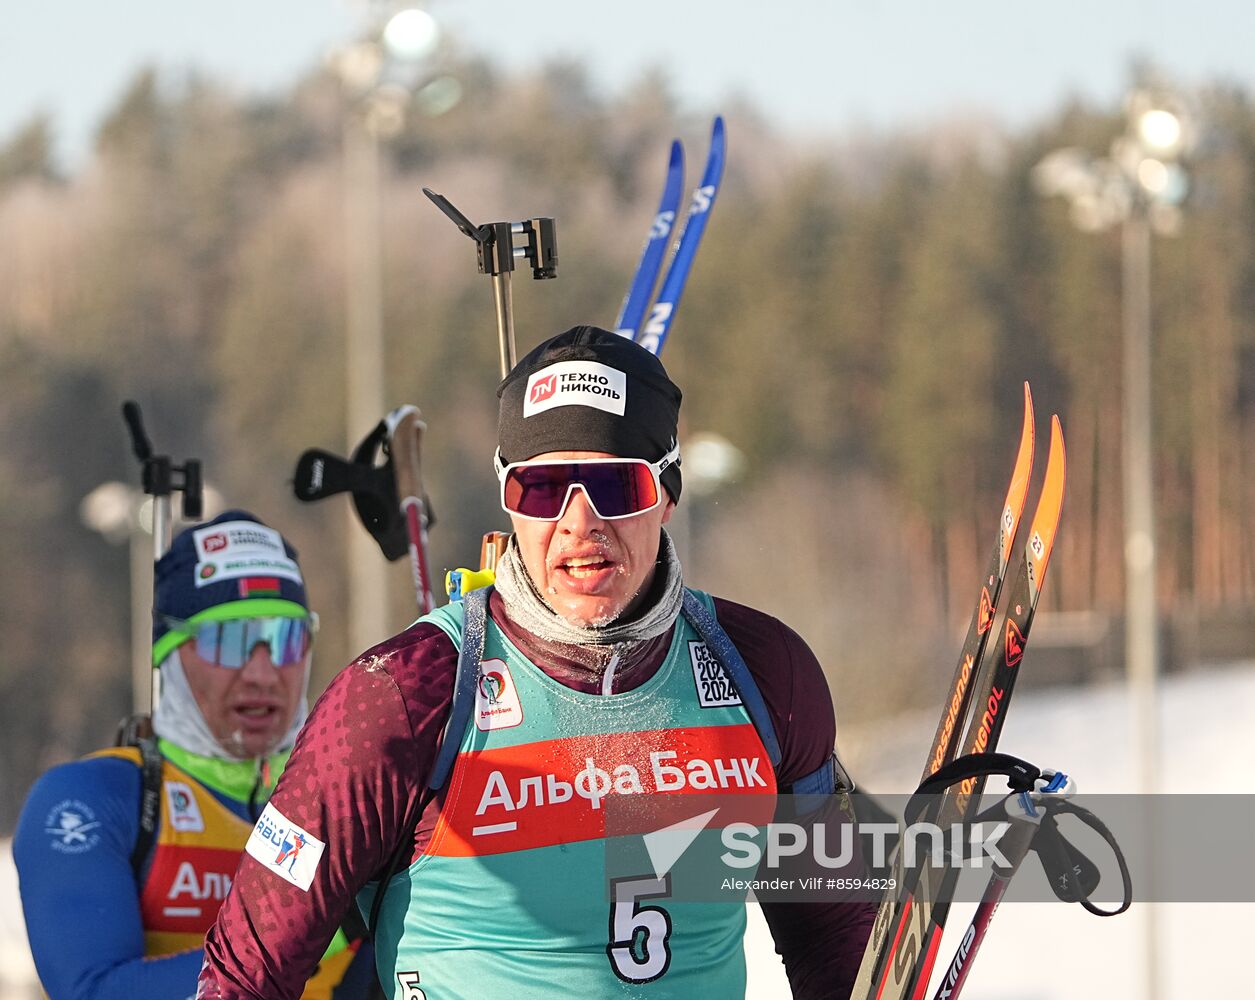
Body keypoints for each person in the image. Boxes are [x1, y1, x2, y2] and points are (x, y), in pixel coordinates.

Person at [197, 327, 875, 999]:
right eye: (543, 489)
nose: (579, 524)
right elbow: (247, 974)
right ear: (507, 501)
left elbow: (834, 937)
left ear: (667, 493)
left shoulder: (761, 673)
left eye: (615, 486)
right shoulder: (403, 696)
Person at [14, 510, 376, 999]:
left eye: (285, 639)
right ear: (170, 650)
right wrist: (319, 929)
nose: (263, 674)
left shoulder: (352, 800)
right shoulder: (95, 799)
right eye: (231, 641)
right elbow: (94, 992)